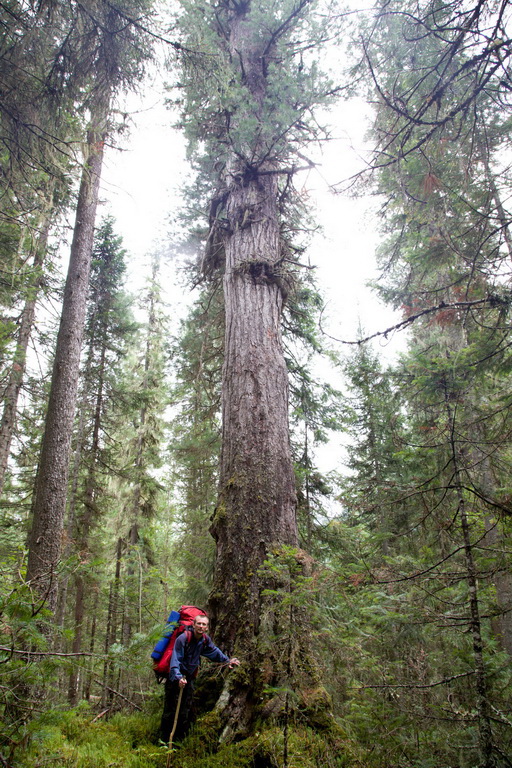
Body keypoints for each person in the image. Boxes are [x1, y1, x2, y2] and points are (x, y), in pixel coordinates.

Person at [159, 613, 239, 744]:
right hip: (175, 678)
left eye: (204, 624)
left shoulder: (204, 640)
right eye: (199, 624)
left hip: (189, 679)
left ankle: (178, 741)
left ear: (207, 627)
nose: (201, 627)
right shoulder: (183, 638)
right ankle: (164, 740)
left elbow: (214, 652)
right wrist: (178, 677)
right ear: (193, 624)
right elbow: (176, 659)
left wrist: (227, 661)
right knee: (170, 710)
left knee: (185, 710)